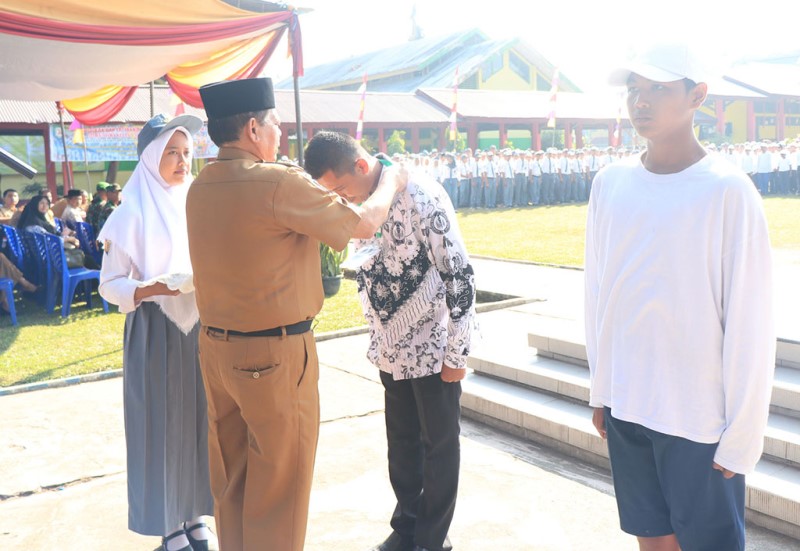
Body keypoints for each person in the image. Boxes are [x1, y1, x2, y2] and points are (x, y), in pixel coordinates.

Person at [185, 77, 406, 551]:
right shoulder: (276, 181)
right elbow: (364, 223)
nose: (281, 134)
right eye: (275, 125)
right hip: (274, 353)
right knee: (279, 491)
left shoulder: (201, 184)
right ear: (252, 127)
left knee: (232, 481)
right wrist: (391, 178)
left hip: (216, 351)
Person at [585, 42, 775, 551]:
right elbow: (599, 293)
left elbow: (751, 321)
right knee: (652, 540)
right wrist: (602, 388)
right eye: (633, 89)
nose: (640, 101)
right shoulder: (610, 183)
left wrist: (743, 436)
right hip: (628, 406)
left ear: (698, 97)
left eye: (659, 89)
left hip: (698, 418)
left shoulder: (727, 191)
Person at [305, 131, 476, 551]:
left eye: (341, 189)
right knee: (401, 443)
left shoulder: (422, 195)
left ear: (361, 166)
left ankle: (433, 539)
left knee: (439, 445)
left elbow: (460, 274)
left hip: (435, 348)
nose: (340, 200)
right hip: (391, 348)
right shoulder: (363, 206)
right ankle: (408, 525)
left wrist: (458, 352)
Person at [98, 113, 215, 551]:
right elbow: (109, 285)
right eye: (172, 153)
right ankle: (168, 524)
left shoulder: (196, 204)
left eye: (187, 153)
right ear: (150, 158)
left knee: (199, 418)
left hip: (199, 325)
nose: (183, 162)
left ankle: (195, 512)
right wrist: (151, 288)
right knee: (160, 424)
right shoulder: (130, 213)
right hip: (154, 328)